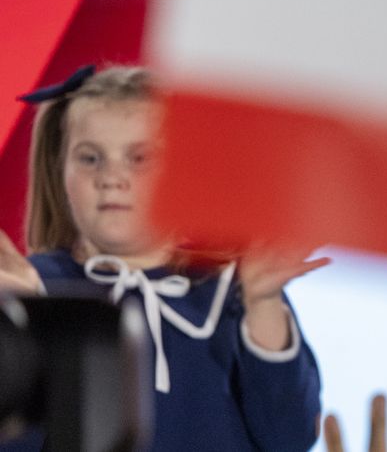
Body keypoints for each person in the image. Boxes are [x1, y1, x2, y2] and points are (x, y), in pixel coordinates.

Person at [0, 65, 325, 451]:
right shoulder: (26, 288)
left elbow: (290, 438)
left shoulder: (238, 290)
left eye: (139, 158)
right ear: (59, 169)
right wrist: (34, 324)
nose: (111, 177)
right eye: (90, 158)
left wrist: (264, 304)